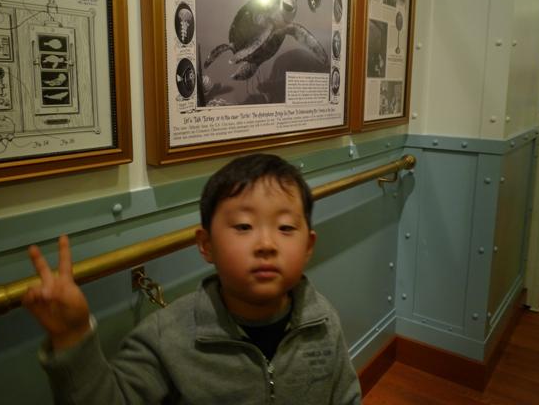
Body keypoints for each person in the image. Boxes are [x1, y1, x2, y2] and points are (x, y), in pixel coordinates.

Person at [23, 153, 362, 404]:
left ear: (308, 246)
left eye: (285, 227)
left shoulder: (322, 321)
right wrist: (72, 338)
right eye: (243, 226)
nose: (266, 244)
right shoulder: (164, 338)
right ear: (206, 245)